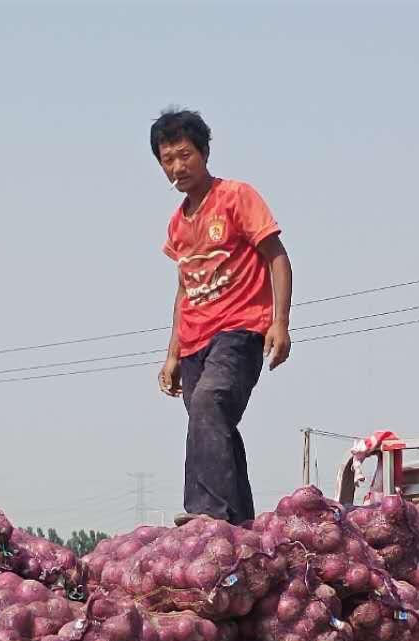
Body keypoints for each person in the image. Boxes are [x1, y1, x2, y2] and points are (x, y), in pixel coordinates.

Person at [152, 108, 293, 526]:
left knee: (210, 401)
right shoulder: (178, 224)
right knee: (210, 421)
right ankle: (240, 522)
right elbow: (184, 287)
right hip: (194, 340)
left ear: (204, 152)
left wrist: (280, 322)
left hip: (240, 330)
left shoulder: (236, 197)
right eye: (167, 160)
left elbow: (278, 258)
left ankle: (208, 512)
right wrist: (172, 353)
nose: (178, 167)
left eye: (184, 155)